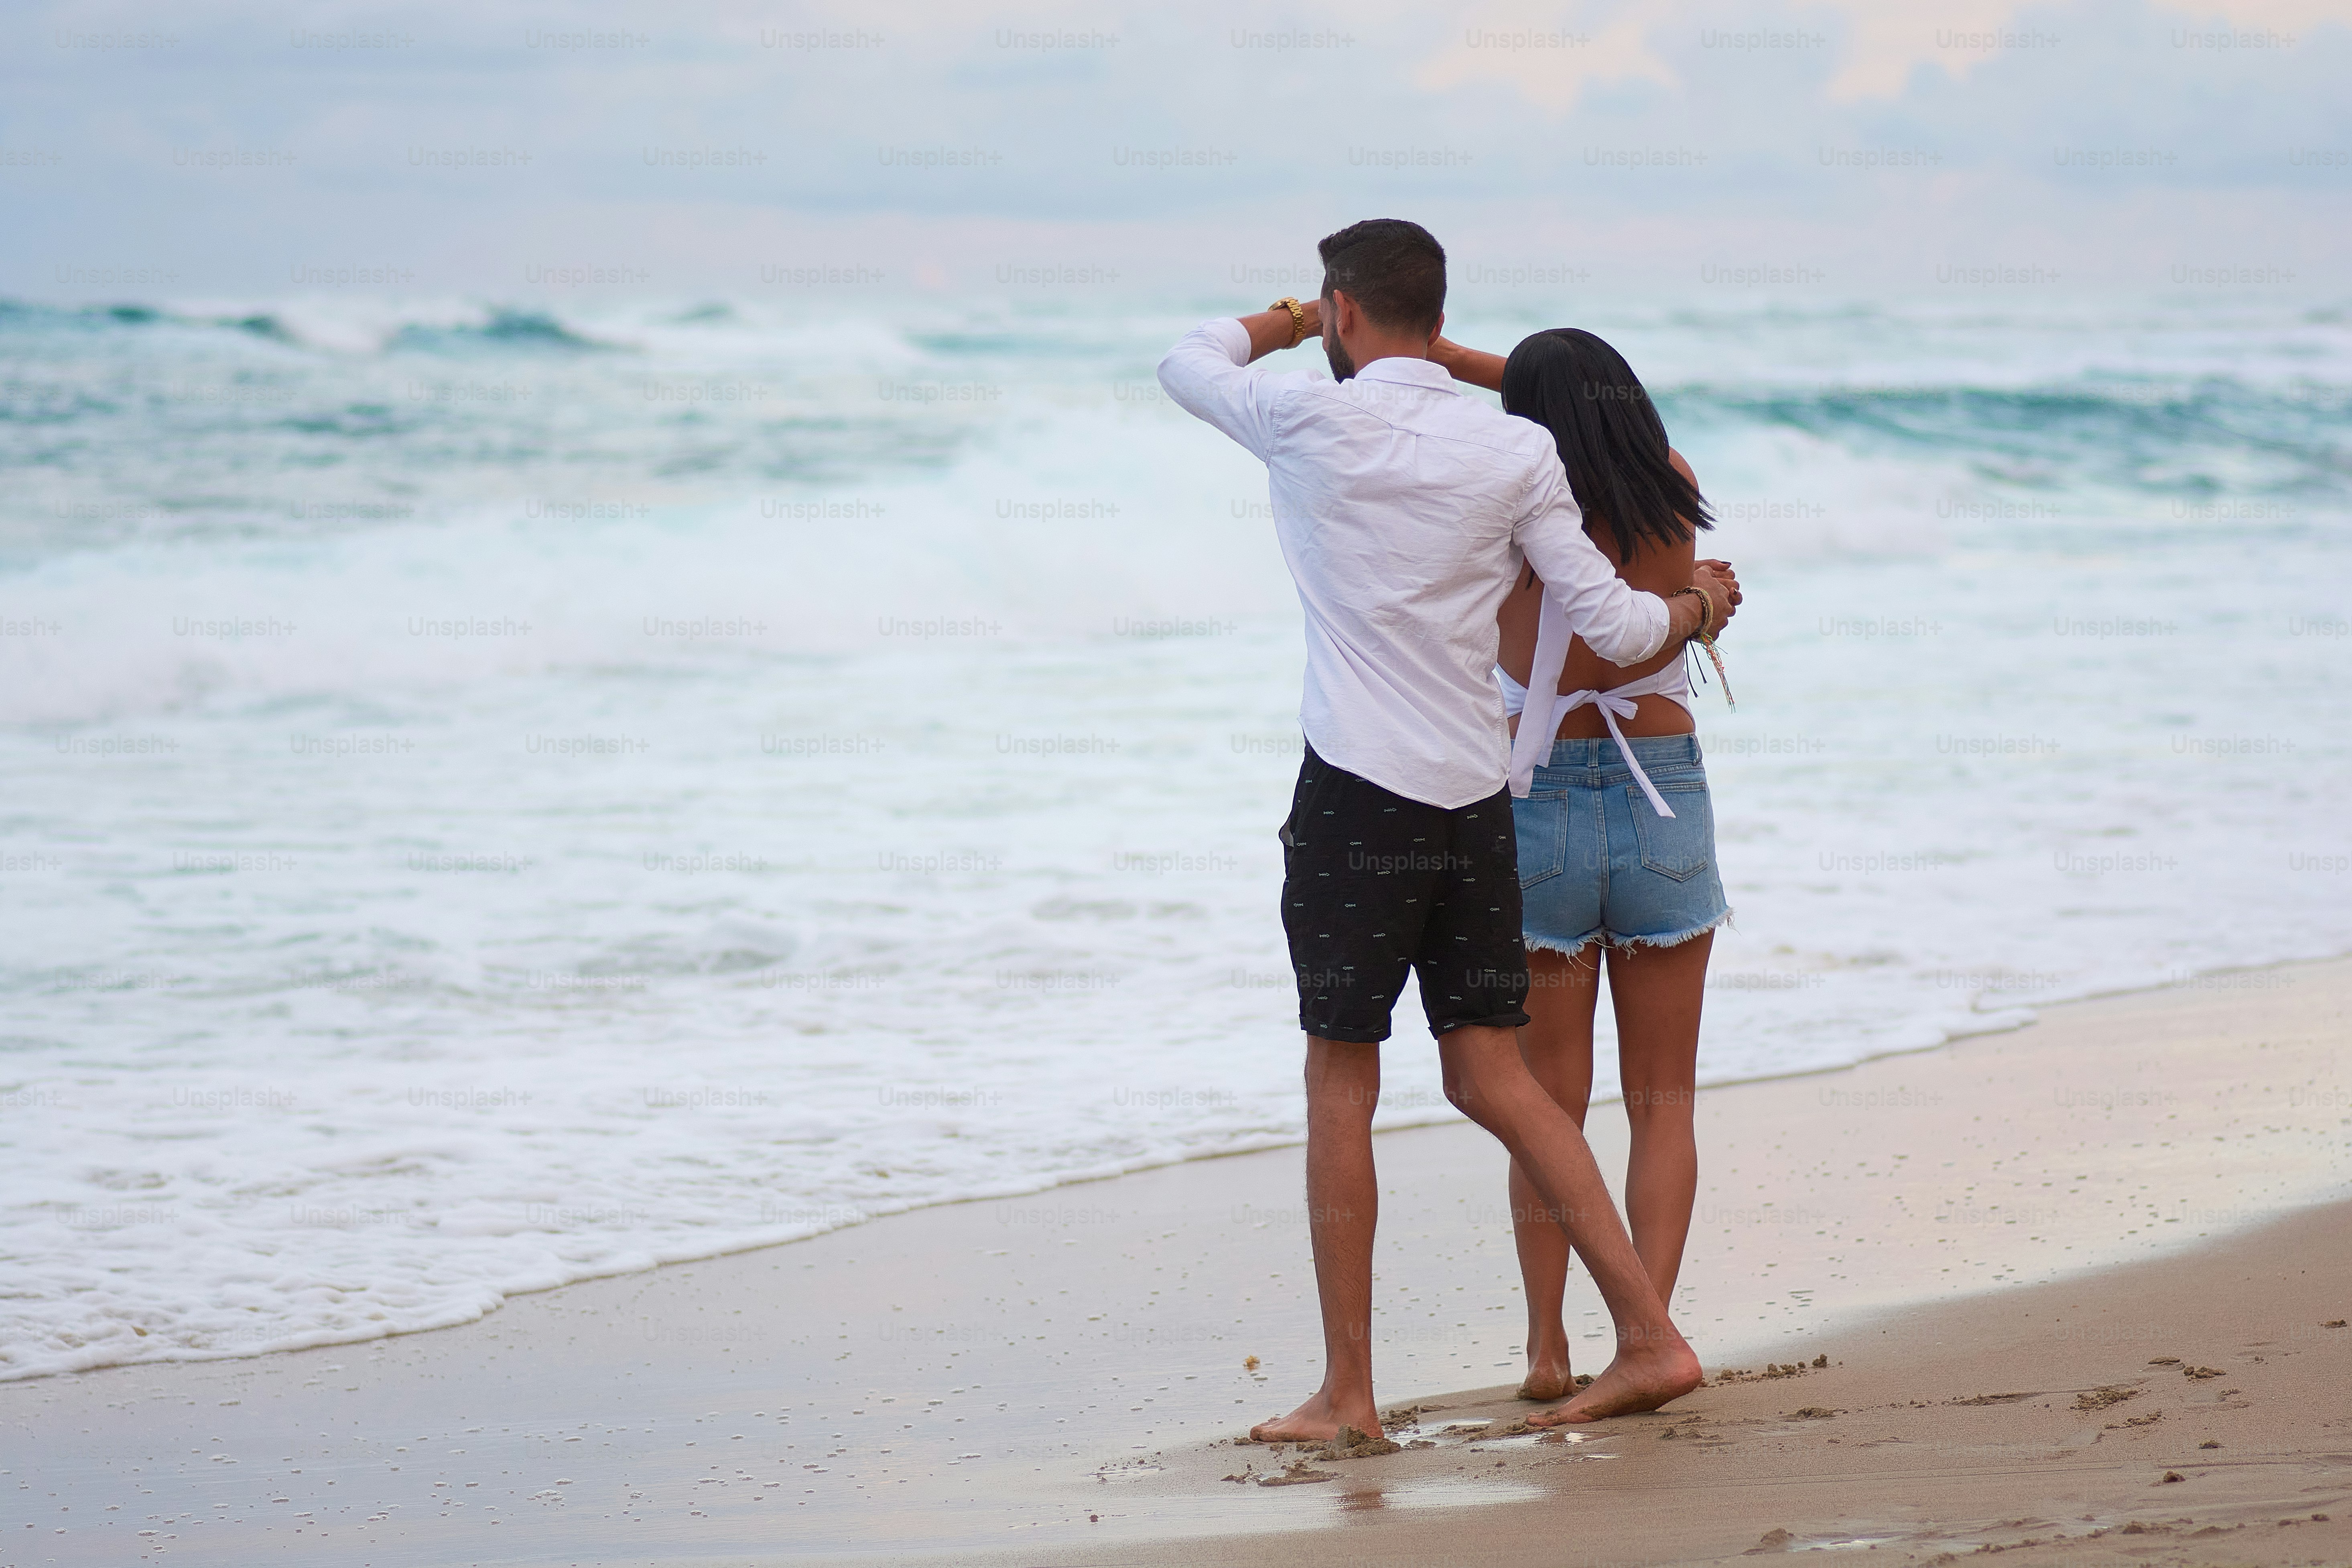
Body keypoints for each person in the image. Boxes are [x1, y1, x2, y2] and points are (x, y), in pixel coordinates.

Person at [1156, 219, 1737, 1440]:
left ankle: (1351, 1394)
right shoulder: (1519, 452)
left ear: (1343, 314)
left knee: (1341, 1078)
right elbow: (1627, 635)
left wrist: (1276, 324)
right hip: (1479, 801)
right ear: (1438, 308)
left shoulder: (1306, 422)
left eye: (1327, 316)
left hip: (1360, 800)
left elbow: (1189, 360)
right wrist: (1694, 601)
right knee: (1494, 1076)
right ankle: (1652, 1336)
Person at [1430, 327, 1735, 1413]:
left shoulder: (1508, 499)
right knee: (1663, 1100)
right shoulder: (1672, 486)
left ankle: (1548, 1345)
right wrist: (1702, 595)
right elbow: (1664, 626)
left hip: (1538, 794)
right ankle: (1643, 1334)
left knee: (1547, 1104)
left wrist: (1441, 360)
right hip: (1661, 789)